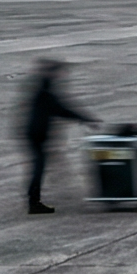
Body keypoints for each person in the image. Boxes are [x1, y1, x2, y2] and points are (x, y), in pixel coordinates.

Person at [20, 58, 95, 214]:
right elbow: (62, 109)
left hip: (34, 133)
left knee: (39, 166)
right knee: (38, 167)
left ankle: (33, 199)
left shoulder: (43, 88)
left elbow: (60, 108)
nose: (63, 75)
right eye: (60, 72)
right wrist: (85, 119)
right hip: (37, 134)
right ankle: (33, 202)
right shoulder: (45, 91)